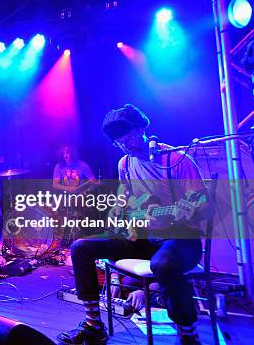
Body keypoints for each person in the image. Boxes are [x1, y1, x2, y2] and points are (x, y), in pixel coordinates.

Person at [57, 104, 211, 345]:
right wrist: (119, 212)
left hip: (180, 239)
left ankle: (188, 335)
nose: (125, 144)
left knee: (164, 264)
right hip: (144, 238)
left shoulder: (177, 159)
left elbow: (203, 203)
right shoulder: (125, 165)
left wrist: (183, 211)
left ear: (141, 128)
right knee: (81, 247)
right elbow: (125, 200)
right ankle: (93, 325)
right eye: (118, 141)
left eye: (128, 135)